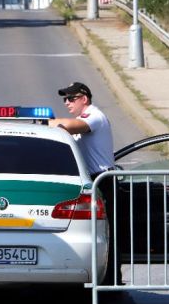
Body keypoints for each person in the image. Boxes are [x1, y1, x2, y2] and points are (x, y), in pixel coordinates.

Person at [49, 81, 122, 285]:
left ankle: (111, 281)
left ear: (84, 99)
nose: (66, 102)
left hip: (104, 181)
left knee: (108, 235)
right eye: (64, 99)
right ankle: (104, 278)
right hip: (93, 180)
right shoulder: (84, 118)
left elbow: (70, 127)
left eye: (71, 98)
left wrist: (42, 122)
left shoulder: (94, 116)